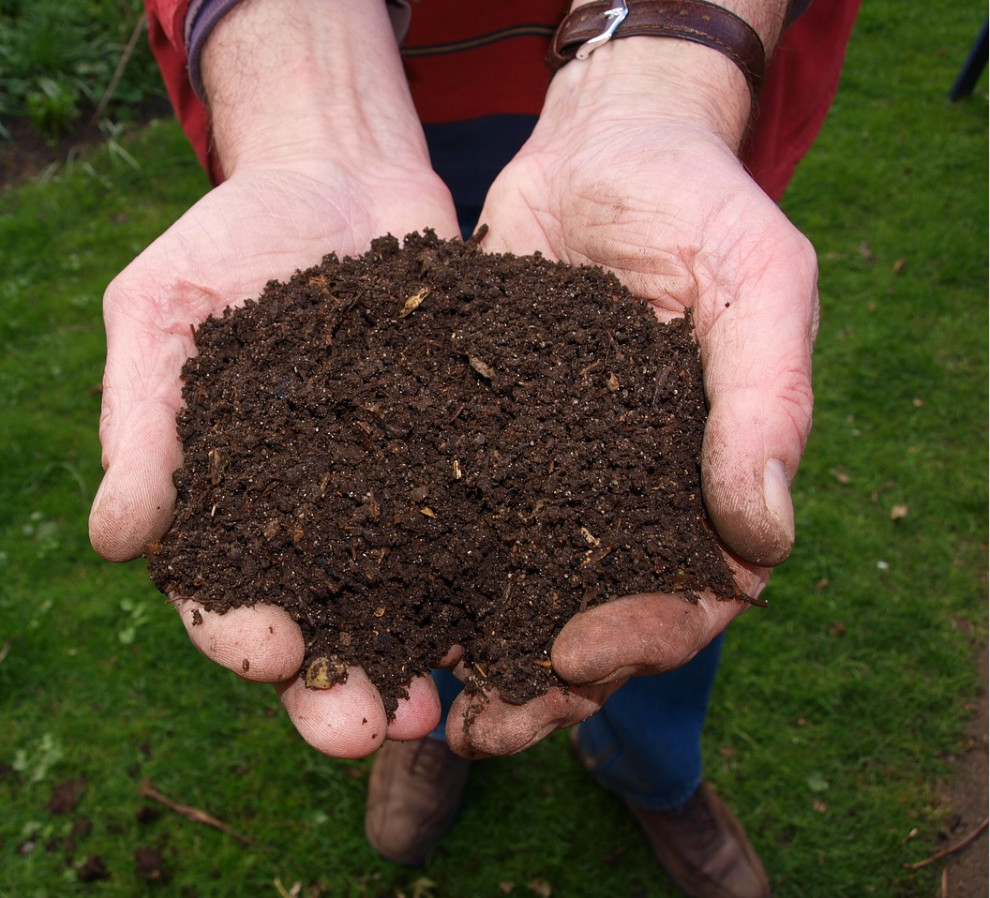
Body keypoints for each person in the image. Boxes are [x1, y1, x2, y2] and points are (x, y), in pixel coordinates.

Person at [89, 2, 860, 896]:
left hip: (677, 83)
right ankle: (433, 720)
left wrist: (664, 69)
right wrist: (309, 96)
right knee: (442, 599)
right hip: (387, 77)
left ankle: (653, 772)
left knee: (668, 554)